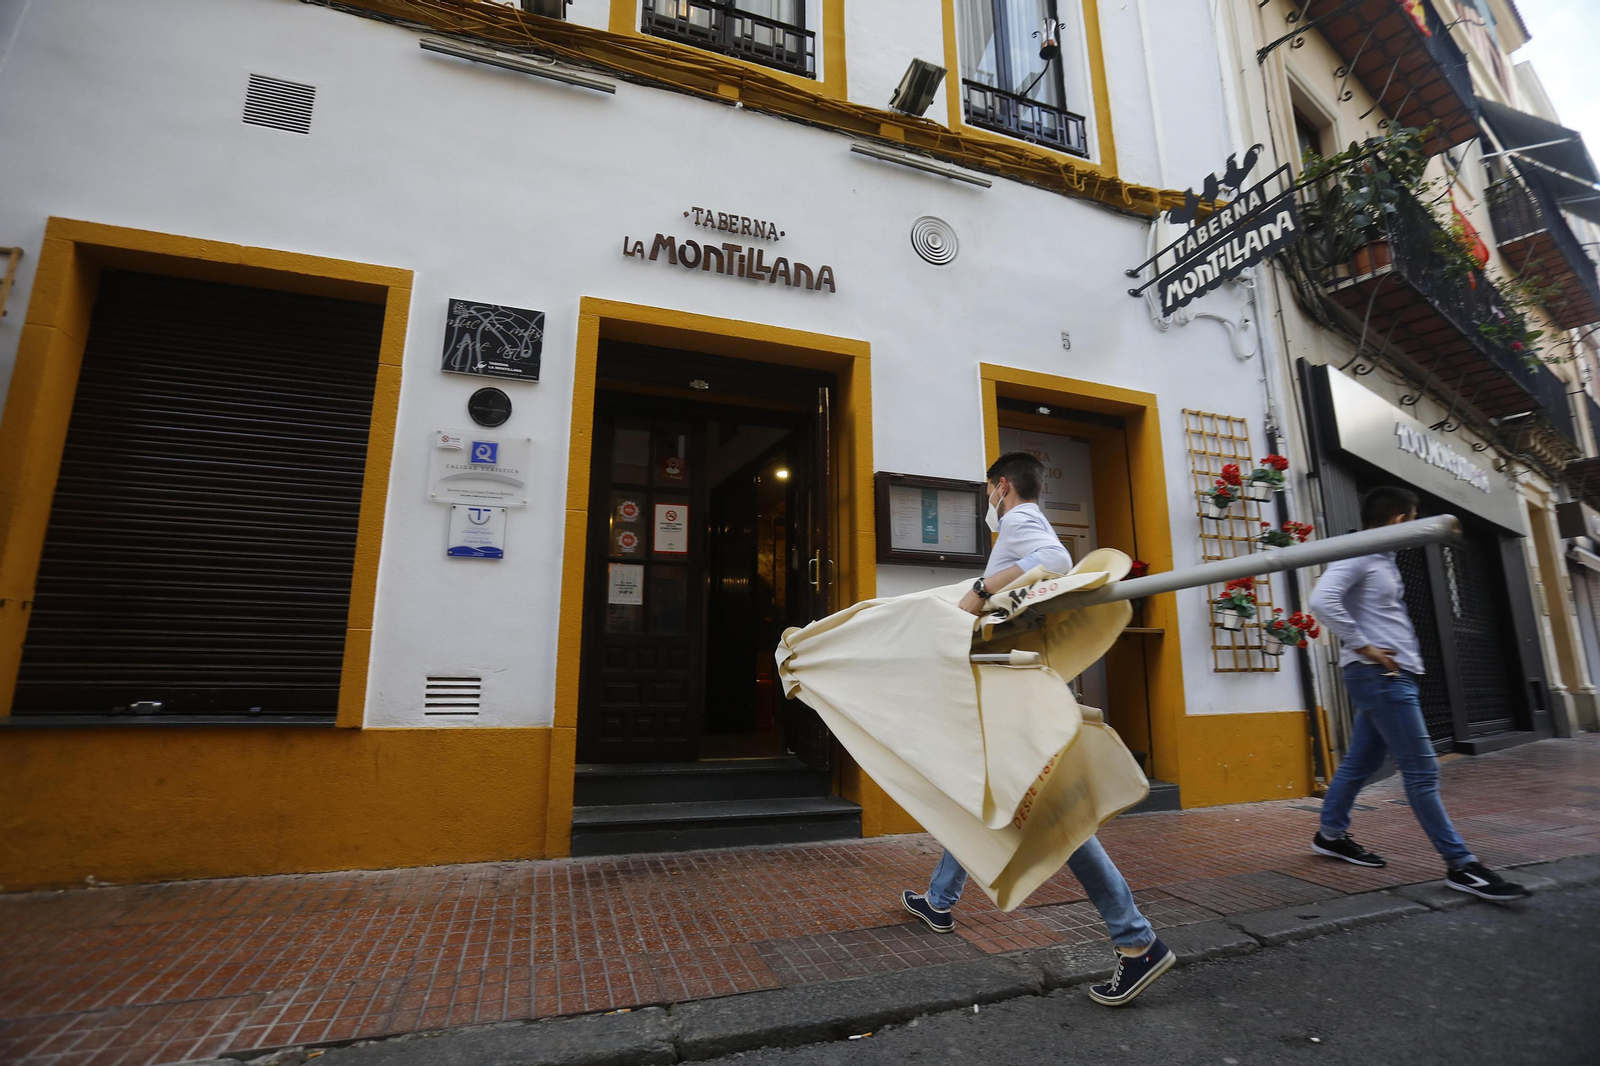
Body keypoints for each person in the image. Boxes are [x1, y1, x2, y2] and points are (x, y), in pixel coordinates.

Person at [899, 451, 1175, 1007]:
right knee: (989, 792)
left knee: (1052, 815)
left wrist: (981, 589)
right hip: (1014, 687)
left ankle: (1136, 940)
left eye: (988, 491)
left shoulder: (1023, 520)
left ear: (1002, 487)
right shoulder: (1024, 523)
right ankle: (939, 898)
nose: (988, 502)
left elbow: (1054, 559)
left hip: (1017, 692)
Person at [1308, 485, 1529, 902]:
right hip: (1381, 677)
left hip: (1388, 676)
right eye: (1414, 518)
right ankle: (1462, 866)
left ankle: (1330, 834)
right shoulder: (1360, 552)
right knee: (1423, 771)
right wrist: (1365, 645)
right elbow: (1322, 600)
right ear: (1401, 520)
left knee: (1361, 762)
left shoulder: (1381, 559)